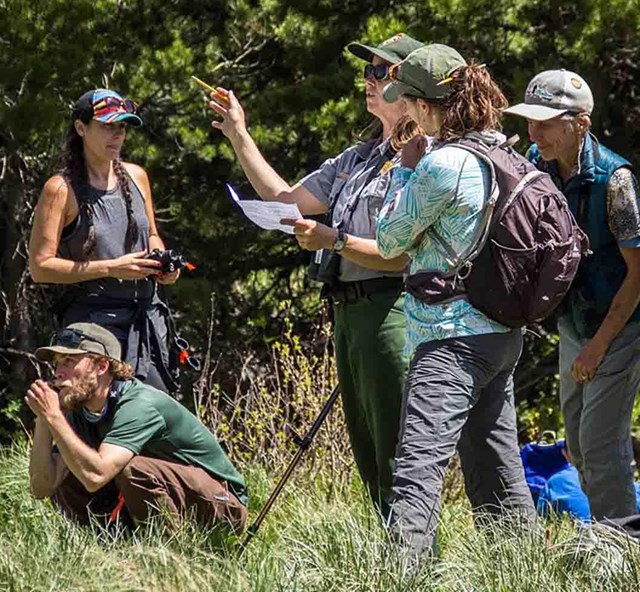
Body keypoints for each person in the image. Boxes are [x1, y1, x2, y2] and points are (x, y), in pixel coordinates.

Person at [208, 33, 424, 519]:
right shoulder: (358, 156)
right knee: (367, 446)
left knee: (396, 443)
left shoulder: (423, 156)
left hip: (392, 309)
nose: (366, 82)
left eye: (378, 72)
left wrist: (335, 240)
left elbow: (404, 254)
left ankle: (414, 557)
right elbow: (286, 201)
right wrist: (239, 134)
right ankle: (388, 552)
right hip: (348, 311)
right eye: (365, 71)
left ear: (407, 84)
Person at [376, 44, 535, 558]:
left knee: (417, 469)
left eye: (409, 104)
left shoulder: (442, 164)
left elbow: (388, 239)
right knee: (496, 463)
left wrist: (404, 166)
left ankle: (403, 575)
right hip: (499, 333)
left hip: (449, 339)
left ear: (425, 107)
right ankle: (521, 568)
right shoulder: (499, 151)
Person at [505, 69, 640, 520]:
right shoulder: (534, 161)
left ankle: (619, 549)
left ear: (580, 123)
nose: (533, 131)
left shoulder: (615, 182)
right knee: (579, 446)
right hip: (574, 324)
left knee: (602, 446)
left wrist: (599, 346)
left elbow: (638, 274)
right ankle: (615, 532)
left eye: (545, 122)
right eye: (529, 120)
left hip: (621, 326)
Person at [29, 89, 181, 394]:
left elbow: (151, 233)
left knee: (156, 420)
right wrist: (111, 268)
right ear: (80, 128)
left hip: (146, 321)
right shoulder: (61, 189)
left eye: (122, 127)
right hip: (92, 326)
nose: (117, 135)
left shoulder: (137, 176)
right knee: (94, 420)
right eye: (107, 126)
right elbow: (40, 267)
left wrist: (162, 263)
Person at [26, 322, 247, 531]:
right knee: (72, 469)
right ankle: (111, 551)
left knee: (133, 470)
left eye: (68, 361)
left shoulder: (138, 404)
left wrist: (54, 417)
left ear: (102, 366)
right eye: (56, 363)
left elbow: (96, 475)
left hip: (224, 506)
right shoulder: (80, 412)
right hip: (173, 499)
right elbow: (41, 487)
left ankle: (168, 556)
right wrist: (44, 421)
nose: (58, 372)